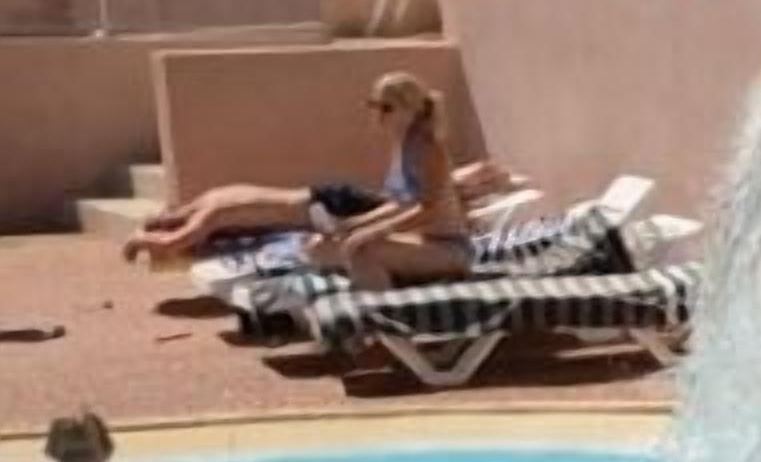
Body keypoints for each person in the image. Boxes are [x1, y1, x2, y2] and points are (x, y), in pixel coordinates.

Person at [123, 161, 520, 267]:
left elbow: (177, 242)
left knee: (416, 200)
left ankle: (488, 177)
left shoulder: (207, 216)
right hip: (322, 195)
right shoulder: (209, 200)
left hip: (327, 206)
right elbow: (179, 234)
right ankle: (487, 179)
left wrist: (141, 242)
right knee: (409, 199)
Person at [308, 73, 473, 291]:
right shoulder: (403, 144)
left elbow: (429, 210)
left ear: (410, 110)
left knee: (362, 250)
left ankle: (378, 306)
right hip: (420, 240)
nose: (378, 115)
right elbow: (400, 203)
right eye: (374, 106)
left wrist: (379, 231)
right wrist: (353, 224)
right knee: (319, 247)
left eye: (386, 108)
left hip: (447, 247)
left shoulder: (429, 150)